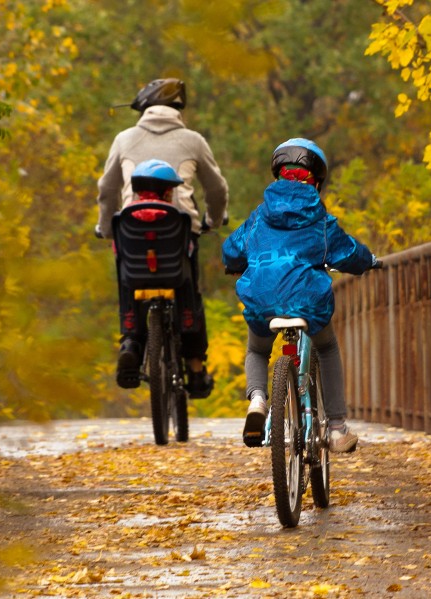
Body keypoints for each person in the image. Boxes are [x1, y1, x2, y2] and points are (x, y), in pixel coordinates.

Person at [221, 138, 379, 453]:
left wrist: (235, 263)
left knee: (257, 350)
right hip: (307, 302)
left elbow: (231, 250)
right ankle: (336, 428)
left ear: (277, 174)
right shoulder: (320, 219)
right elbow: (348, 252)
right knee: (328, 348)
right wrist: (370, 261)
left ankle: (257, 400)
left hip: (262, 301)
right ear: (316, 181)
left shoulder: (259, 216)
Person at [95, 78, 229, 398]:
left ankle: (130, 340)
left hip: (132, 229)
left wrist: (107, 227)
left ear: (143, 108)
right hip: (180, 230)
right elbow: (217, 189)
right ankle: (195, 370)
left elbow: (107, 190)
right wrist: (211, 219)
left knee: (129, 280)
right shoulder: (193, 140)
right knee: (188, 292)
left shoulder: (124, 139)